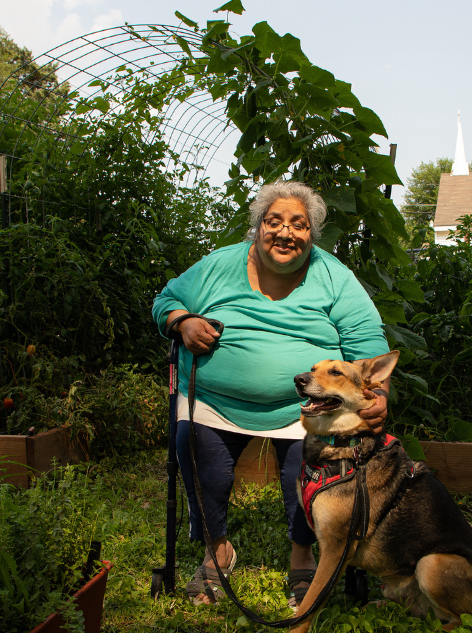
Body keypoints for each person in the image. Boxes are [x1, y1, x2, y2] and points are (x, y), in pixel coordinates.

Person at [151, 180, 390, 610]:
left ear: (311, 234)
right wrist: (182, 320)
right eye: (273, 221)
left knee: (311, 475)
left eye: (298, 225)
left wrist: (379, 396)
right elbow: (166, 298)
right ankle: (217, 549)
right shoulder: (219, 265)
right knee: (193, 446)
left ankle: (303, 554)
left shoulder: (333, 275)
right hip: (212, 401)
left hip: (308, 407)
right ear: (257, 227)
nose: (285, 233)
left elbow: (366, 337)